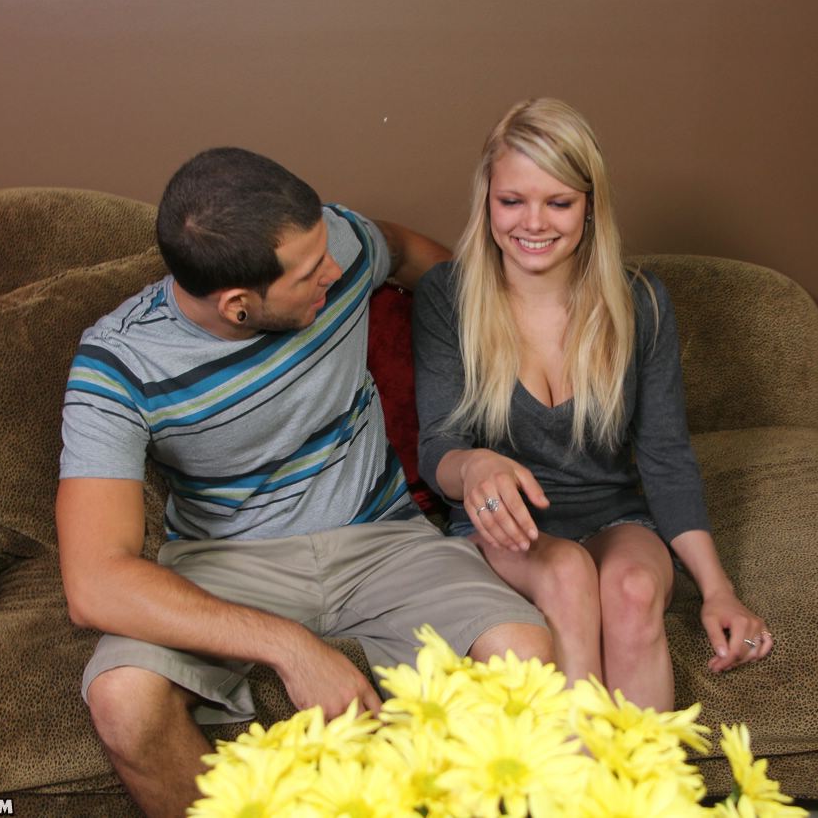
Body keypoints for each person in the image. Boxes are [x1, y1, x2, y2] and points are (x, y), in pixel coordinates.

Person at [56, 147, 551, 818]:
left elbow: (405, 250)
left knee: (523, 656)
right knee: (124, 699)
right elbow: (94, 582)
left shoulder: (336, 243)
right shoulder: (117, 363)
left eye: (327, 248)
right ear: (239, 306)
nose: (336, 270)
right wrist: (290, 647)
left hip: (384, 540)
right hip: (227, 564)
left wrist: (513, 325)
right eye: (310, 273)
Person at [412, 98, 772, 712]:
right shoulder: (449, 296)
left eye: (558, 202)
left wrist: (718, 589)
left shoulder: (640, 303)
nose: (533, 223)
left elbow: (666, 458)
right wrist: (474, 467)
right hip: (505, 527)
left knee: (632, 591)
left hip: (614, 518)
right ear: (487, 200)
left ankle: (643, 773)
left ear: (590, 205)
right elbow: (437, 448)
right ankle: (578, 773)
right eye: (512, 200)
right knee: (567, 571)